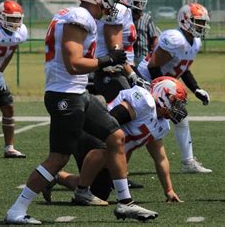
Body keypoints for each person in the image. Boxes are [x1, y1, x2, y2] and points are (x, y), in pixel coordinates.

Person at [4, 0, 157, 224]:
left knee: (116, 136)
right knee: (58, 158)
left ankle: (125, 203)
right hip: (65, 96)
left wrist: (106, 62)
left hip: (78, 93)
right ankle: (17, 210)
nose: (112, 3)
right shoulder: (79, 17)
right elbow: (74, 63)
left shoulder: (80, 17)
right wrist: (107, 61)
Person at [46, 77, 185, 204]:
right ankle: (82, 191)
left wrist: (168, 190)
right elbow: (110, 122)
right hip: (91, 134)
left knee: (100, 192)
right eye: (175, 102)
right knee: (106, 149)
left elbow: (160, 158)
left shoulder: (161, 124)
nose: (178, 108)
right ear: (163, 95)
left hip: (107, 148)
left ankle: (56, 177)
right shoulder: (144, 102)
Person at [136, 2, 212, 174]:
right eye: (198, 21)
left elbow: (183, 68)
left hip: (163, 84)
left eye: (203, 22)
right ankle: (113, 160)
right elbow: (153, 66)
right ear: (185, 21)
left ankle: (188, 162)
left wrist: (196, 89)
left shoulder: (195, 42)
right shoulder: (174, 39)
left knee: (180, 117)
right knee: (140, 122)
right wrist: (160, 91)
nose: (202, 26)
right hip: (146, 80)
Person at [93, 0, 148, 103]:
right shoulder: (118, 10)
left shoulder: (125, 10)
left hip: (122, 68)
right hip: (113, 70)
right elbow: (115, 52)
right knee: (132, 108)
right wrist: (132, 74)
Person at [0, 0, 27, 158]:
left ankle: (9, 148)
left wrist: (0, 72)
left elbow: (12, 49)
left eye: (17, 19)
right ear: (0, 17)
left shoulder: (20, 33)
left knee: (8, 107)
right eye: (11, 19)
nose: (15, 23)